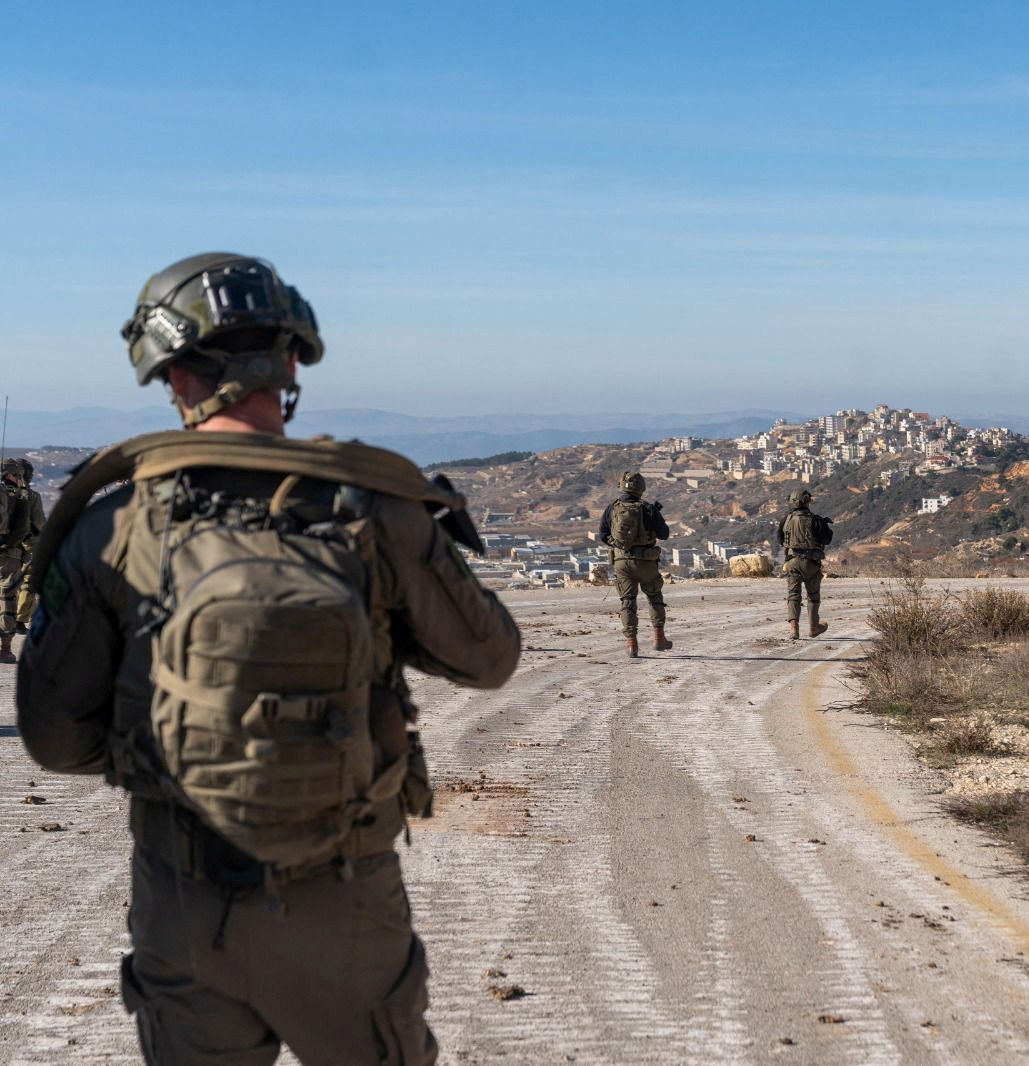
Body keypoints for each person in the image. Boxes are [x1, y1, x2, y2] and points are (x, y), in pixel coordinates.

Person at [16, 252, 521, 1065]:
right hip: (346, 899)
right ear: (290, 363)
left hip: (184, 900)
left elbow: (54, 740)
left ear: (172, 374)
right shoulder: (376, 503)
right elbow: (490, 659)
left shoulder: (113, 519)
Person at [600, 471, 671, 657]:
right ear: (641, 488)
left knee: (628, 602)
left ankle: (631, 644)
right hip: (646, 562)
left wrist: (620, 545)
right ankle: (659, 638)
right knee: (654, 597)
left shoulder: (612, 508)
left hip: (622, 562)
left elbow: (603, 535)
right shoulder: (648, 508)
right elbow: (664, 534)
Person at [0, 457, 44, 663]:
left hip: (14, 550)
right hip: (14, 552)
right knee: (10, 595)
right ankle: (6, 646)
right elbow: (34, 525)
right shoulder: (27, 496)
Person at [778, 488, 832, 639]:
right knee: (813, 596)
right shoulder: (815, 520)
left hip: (792, 562)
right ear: (807, 501)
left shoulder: (786, 520)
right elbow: (827, 539)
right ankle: (814, 628)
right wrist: (825, 525)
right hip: (811, 563)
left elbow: (781, 540)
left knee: (793, 595)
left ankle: (793, 629)